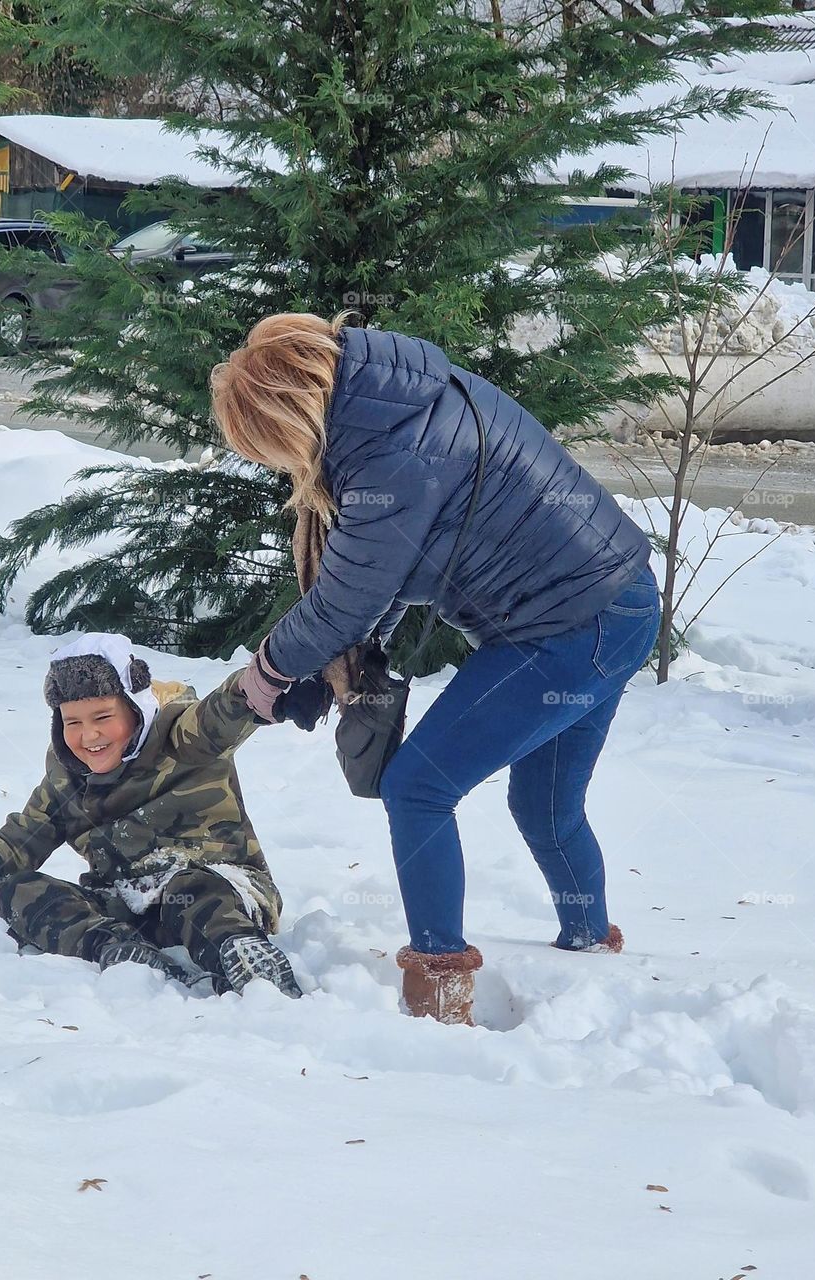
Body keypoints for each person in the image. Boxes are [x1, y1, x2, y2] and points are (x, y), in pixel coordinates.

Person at [212, 313, 661, 1025]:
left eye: (269, 447)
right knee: (545, 807)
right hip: (622, 604)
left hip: (567, 629)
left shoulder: (389, 453)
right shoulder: (398, 400)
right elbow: (387, 571)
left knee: (418, 787)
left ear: (285, 413)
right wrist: (349, 660)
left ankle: (440, 995)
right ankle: (589, 957)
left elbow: (345, 597)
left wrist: (266, 675)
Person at [0, 633, 302, 999]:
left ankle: (244, 956)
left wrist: (274, 677)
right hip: (128, 906)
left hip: (223, 888)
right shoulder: (69, 780)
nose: (88, 736)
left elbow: (228, 708)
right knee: (19, 891)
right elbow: (20, 840)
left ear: (134, 709)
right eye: (72, 722)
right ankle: (118, 949)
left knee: (190, 889)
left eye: (102, 717)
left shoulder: (182, 736)